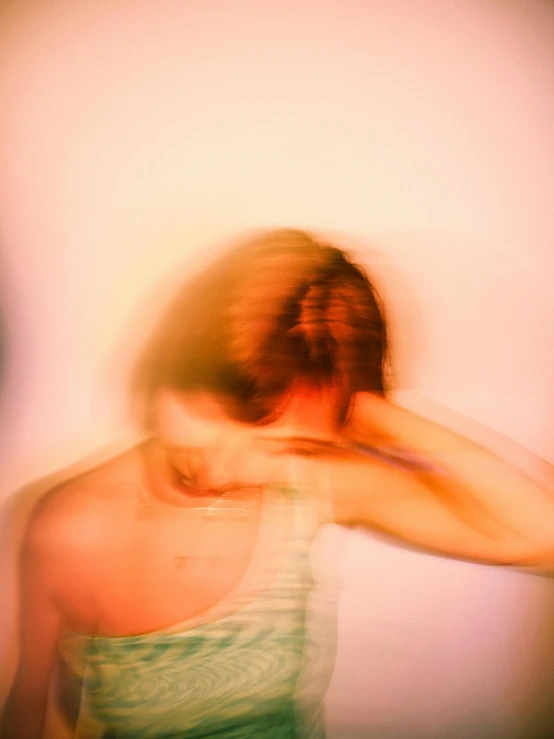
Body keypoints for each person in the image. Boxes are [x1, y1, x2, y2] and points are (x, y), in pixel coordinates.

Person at [2, 228, 554, 739]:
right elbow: (31, 708)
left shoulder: (309, 486)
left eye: (278, 448)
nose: (220, 472)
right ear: (169, 369)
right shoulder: (69, 523)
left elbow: (542, 536)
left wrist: (367, 408)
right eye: (205, 427)